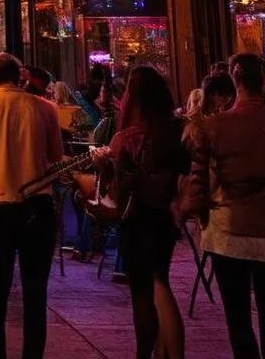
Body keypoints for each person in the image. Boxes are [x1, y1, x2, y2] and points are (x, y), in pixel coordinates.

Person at [0, 53, 63, 359]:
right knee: (35, 293)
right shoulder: (44, 108)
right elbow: (55, 153)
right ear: (21, 77)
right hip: (36, 206)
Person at [183, 53, 265, 359]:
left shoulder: (213, 126)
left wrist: (189, 210)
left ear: (234, 81)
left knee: (238, 320)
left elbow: (199, 182)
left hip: (227, 230)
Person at [99, 66, 187, 359]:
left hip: (136, 218)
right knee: (161, 280)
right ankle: (165, 351)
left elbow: (114, 190)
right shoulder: (175, 131)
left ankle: (147, 352)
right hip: (164, 217)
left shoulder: (127, 138)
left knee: (143, 292)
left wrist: (104, 162)